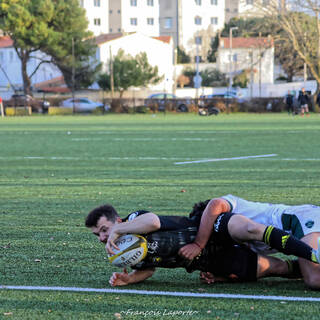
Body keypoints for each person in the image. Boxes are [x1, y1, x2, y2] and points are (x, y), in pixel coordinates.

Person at [85, 204, 305, 287]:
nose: (103, 237)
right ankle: (305, 267)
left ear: (119, 221)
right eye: (98, 234)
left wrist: (118, 230)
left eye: (105, 229)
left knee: (250, 230)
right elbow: (148, 269)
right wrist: (129, 278)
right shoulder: (126, 248)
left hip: (208, 231)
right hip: (210, 261)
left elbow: (153, 221)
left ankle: (304, 236)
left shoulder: (133, 219)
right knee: (278, 268)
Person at [179, 195, 320, 289]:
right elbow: (249, 265)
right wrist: (223, 275)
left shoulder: (230, 207)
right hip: (302, 224)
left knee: (314, 279)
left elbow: (215, 204)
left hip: (303, 219)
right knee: (309, 273)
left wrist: (198, 243)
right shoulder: (230, 238)